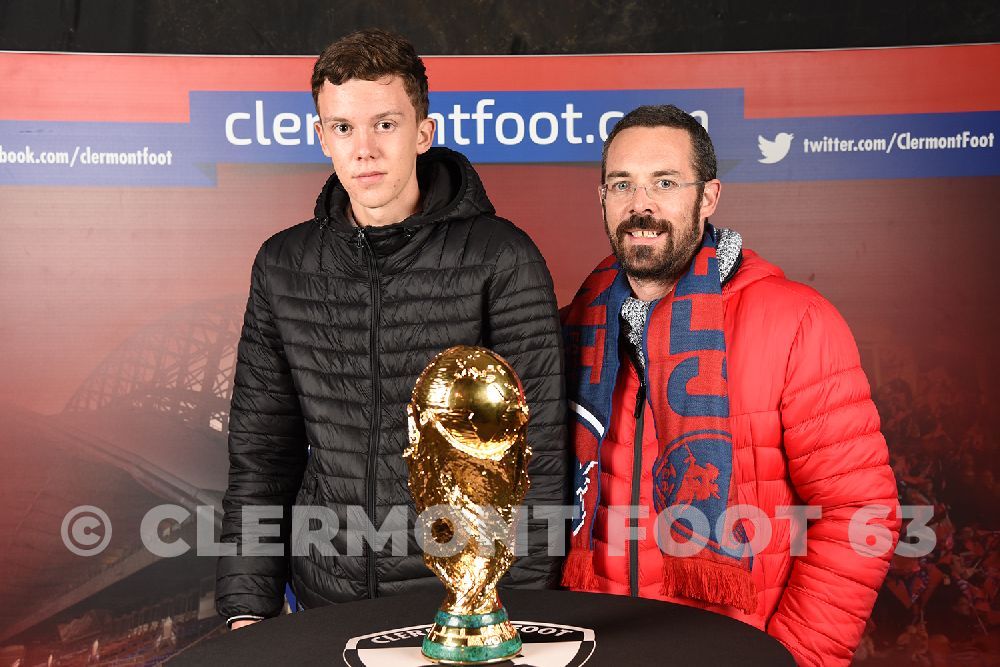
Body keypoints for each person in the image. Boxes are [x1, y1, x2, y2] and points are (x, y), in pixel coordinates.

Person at [216, 29, 568, 630]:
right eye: (344, 128)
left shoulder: (501, 258)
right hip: (323, 595)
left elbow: (539, 460)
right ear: (322, 137)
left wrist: (522, 611)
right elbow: (261, 455)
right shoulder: (283, 265)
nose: (365, 150)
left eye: (385, 124)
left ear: (422, 133)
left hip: (462, 606)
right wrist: (247, 609)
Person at [560, 104, 900, 666]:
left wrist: (787, 660)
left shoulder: (797, 321)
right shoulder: (575, 326)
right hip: (597, 648)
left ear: (709, 197)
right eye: (622, 184)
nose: (640, 205)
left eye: (664, 183)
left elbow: (859, 514)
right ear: (602, 199)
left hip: (730, 650)